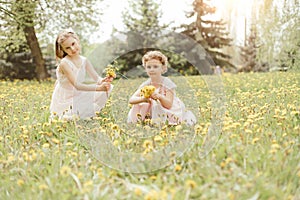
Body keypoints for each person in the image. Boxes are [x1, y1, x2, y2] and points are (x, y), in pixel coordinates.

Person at [50, 29, 113, 120]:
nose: (72, 49)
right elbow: (77, 85)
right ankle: (72, 114)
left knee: (108, 87)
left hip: (78, 94)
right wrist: (99, 88)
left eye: (73, 44)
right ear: (63, 50)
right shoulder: (65, 63)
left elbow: (97, 79)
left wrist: (105, 80)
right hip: (66, 98)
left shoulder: (84, 60)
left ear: (77, 40)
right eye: (67, 48)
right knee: (69, 117)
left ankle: (88, 112)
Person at [127, 50, 196, 125]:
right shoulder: (147, 84)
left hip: (166, 108)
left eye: (155, 67)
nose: (152, 69)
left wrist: (160, 97)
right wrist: (144, 99)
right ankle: (143, 120)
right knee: (141, 103)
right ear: (145, 69)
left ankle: (161, 121)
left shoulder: (167, 83)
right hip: (152, 108)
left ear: (163, 68)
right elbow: (131, 100)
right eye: (149, 67)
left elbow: (169, 104)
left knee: (156, 105)